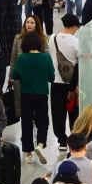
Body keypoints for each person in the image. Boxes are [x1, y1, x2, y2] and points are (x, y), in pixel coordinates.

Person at [13, 31, 55, 163]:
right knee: (42, 122)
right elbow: (52, 78)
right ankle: (40, 145)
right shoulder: (46, 58)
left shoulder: (21, 58)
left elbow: (14, 77)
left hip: (26, 95)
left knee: (26, 123)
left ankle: (29, 154)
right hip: (41, 94)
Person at [49, 14, 82, 147]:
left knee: (58, 114)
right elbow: (80, 64)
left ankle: (62, 141)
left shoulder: (52, 39)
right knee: (74, 114)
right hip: (72, 85)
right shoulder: (77, 42)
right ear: (74, 27)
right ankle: (75, 140)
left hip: (56, 82)